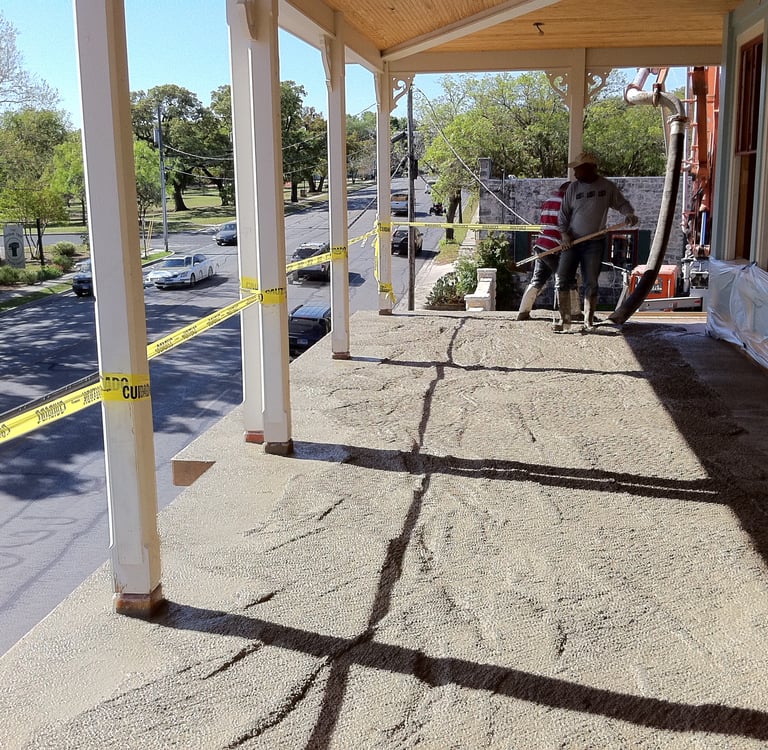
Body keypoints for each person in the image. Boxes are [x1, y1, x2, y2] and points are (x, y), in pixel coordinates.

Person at [556, 152, 638, 330]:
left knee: (591, 282)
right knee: (562, 278)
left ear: (589, 168)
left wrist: (629, 214)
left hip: (594, 242)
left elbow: (622, 204)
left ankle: (589, 321)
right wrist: (564, 235)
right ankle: (565, 321)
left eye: (578, 168)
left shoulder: (606, 187)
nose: (575, 172)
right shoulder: (573, 189)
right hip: (572, 241)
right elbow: (562, 215)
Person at [517, 180, 580, 321]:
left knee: (538, 280)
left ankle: (523, 312)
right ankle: (572, 313)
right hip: (553, 247)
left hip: (541, 246)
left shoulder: (549, 201)